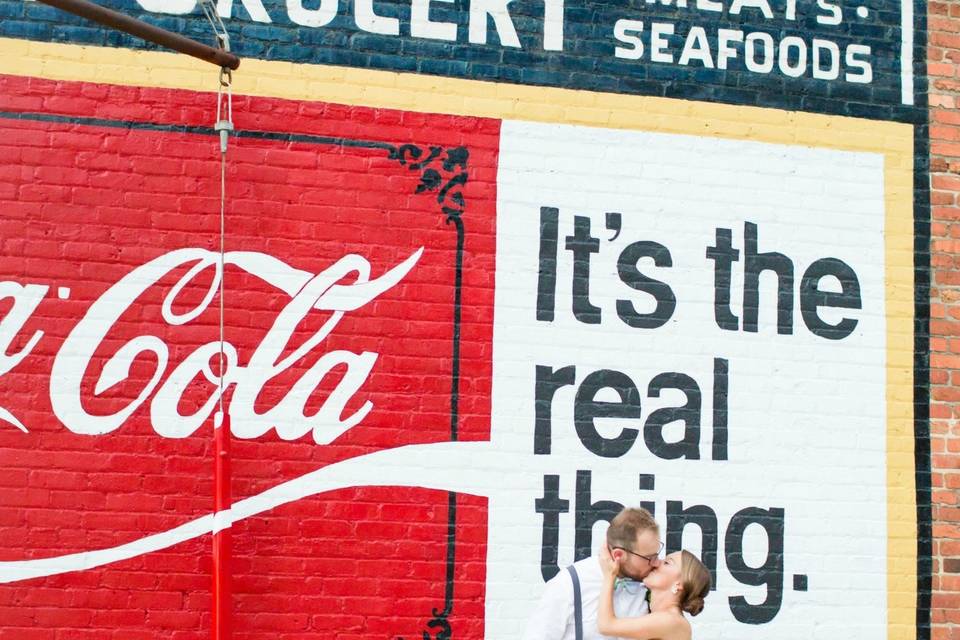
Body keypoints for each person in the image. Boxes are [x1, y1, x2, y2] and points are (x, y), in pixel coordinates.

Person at [522, 508, 662, 640]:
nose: (656, 563)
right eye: (649, 558)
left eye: (657, 554)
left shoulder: (650, 585)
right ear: (618, 555)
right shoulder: (569, 583)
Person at [597, 545, 711, 640]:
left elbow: (606, 626)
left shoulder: (672, 621)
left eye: (667, 563)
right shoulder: (657, 616)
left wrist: (609, 575)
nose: (657, 563)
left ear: (679, 584)